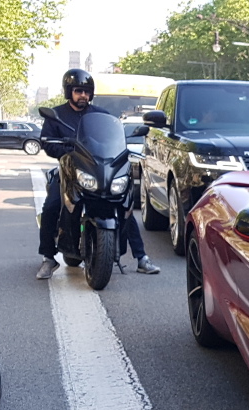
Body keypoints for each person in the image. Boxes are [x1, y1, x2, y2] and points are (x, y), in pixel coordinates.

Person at [37, 69, 159, 279]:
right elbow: (47, 142)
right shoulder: (56, 116)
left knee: (125, 205)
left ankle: (141, 258)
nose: (82, 95)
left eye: (86, 91)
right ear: (69, 92)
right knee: (51, 206)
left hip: (99, 169)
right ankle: (48, 258)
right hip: (69, 170)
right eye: (78, 91)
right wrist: (66, 151)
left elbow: (113, 139)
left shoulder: (102, 115)